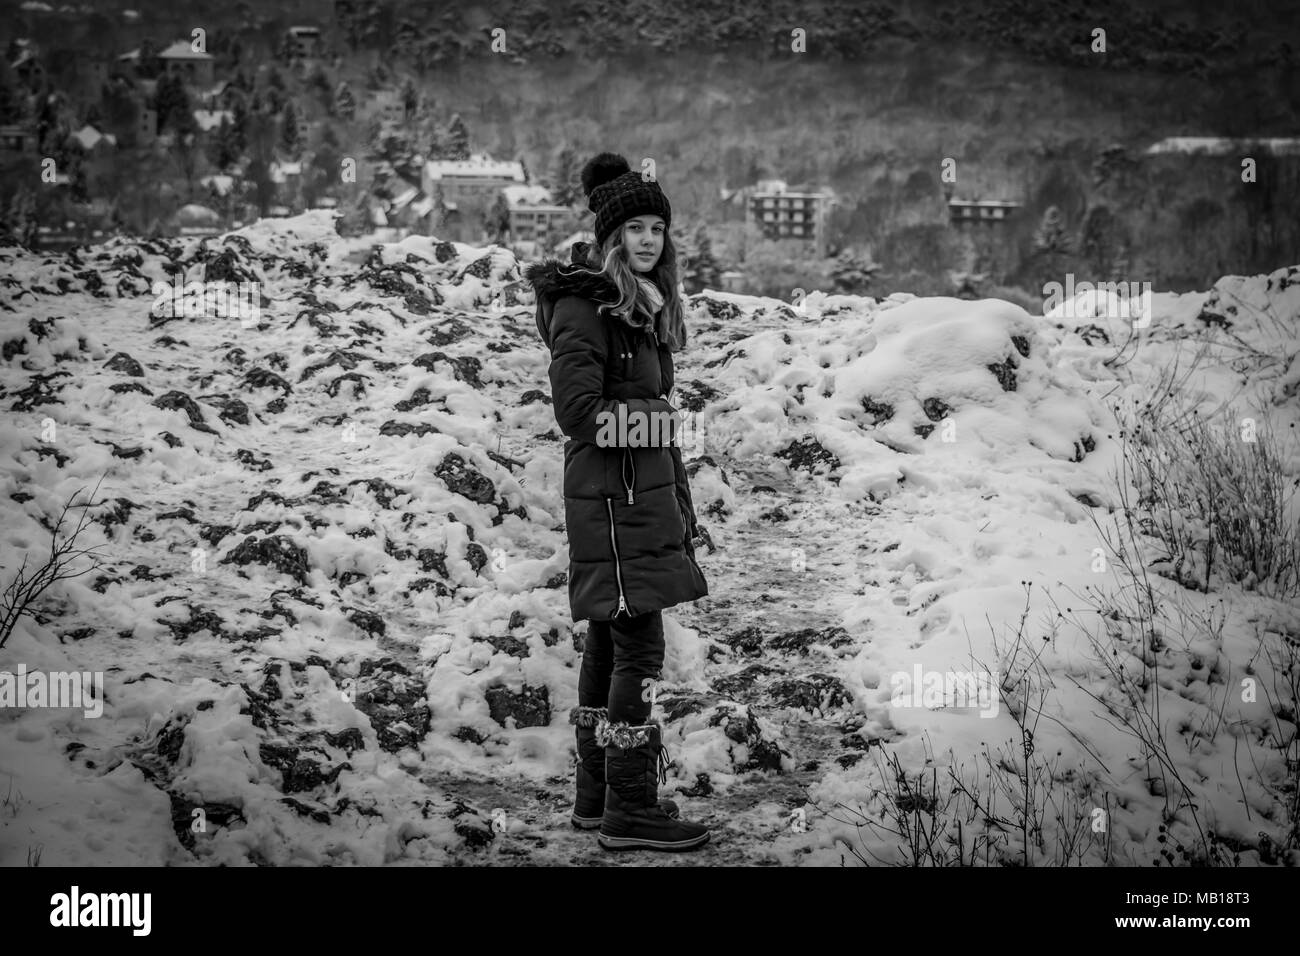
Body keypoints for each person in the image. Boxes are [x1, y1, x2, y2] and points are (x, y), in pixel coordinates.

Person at [523, 151, 711, 852]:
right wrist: (660, 424)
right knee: (641, 647)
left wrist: (681, 502)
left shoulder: (645, 306)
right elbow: (578, 412)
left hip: (639, 497)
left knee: (608, 637)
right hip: (611, 500)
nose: (647, 240)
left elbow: (644, 405)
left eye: (656, 228)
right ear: (610, 237)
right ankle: (632, 808)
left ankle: (596, 797)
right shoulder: (586, 305)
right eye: (633, 227)